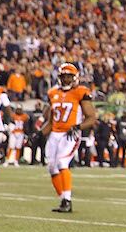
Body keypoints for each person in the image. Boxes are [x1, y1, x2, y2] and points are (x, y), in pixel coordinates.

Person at [41, 63, 96, 213]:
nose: (65, 79)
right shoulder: (53, 93)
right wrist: (39, 133)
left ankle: (67, 200)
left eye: (68, 76)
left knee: (62, 162)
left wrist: (78, 127)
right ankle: (62, 199)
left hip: (70, 133)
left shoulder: (81, 92)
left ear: (75, 77)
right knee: (51, 166)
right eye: (63, 76)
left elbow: (91, 118)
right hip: (55, 134)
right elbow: (50, 121)